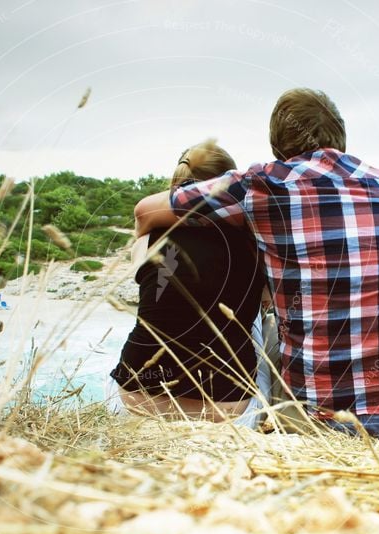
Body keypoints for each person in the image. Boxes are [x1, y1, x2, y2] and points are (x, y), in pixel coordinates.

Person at [135, 89, 379, 438]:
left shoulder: (260, 184)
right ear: (342, 138)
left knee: (262, 316)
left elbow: (146, 211)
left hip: (321, 423)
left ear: (277, 147)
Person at [109, 139, 268, 426]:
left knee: (156, 308)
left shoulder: (146, 240)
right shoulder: (255, 244)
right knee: (256, 324)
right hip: (226, 400)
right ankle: (269, 426)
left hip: (137, 390)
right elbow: (267, 301)